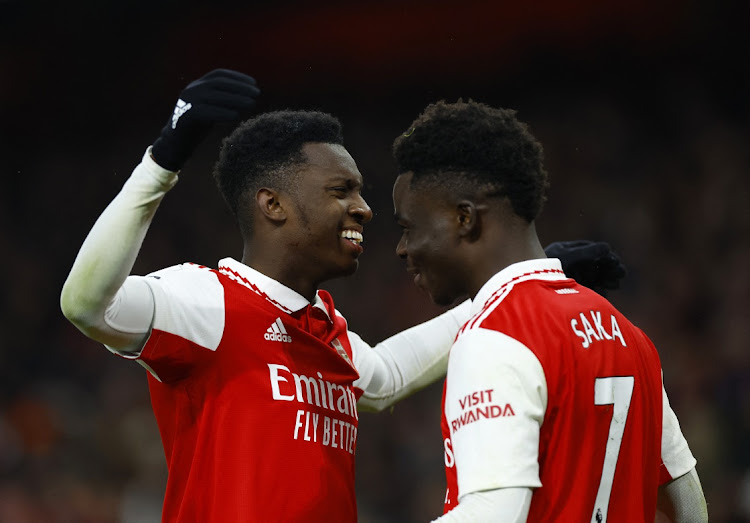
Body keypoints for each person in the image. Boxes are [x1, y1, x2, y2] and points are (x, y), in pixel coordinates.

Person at [60, 70, 624, 521]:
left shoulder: (326, 330)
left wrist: (524, 278)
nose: (363, 208)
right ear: (272, 204)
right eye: (340, 191)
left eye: (359, 191)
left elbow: (389, 375)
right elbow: (87, 305)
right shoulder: (207, 302)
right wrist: (163, 160)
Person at [390, 100, 709, 522]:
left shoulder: (493, 338)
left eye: (409, 228)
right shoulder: (628, 334)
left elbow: (495, 513)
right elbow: (687, 499)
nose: (402, 250)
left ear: (464, 218)